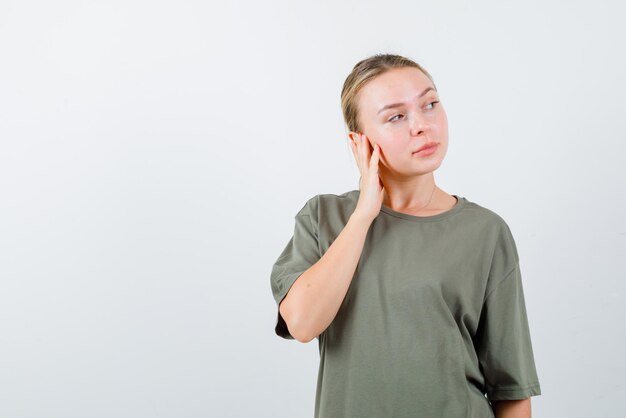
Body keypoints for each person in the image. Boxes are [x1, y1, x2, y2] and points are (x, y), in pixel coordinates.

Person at [269, 53, 542, 418]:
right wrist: (365, 213)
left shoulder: (485, 232)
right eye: (396, 116)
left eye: (430, 105)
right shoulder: (324, 218)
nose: (421, 125)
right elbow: (302, 323)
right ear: (359, 141)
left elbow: (511, 388)